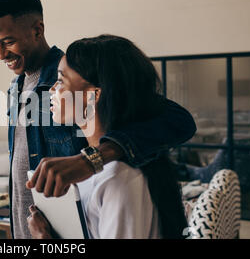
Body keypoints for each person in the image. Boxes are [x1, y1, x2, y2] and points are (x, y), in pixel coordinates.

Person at [0, 0, 196, 239]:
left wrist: (92, 159)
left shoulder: (80, 71)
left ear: (37, 30)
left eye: (8, 42)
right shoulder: (15, 87)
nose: (0, 54)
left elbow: (180, 121)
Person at [27, 35, 188, 239]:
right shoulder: (95, 164)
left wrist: (44, 240)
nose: (51, 90)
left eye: (60, 80)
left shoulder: (118, 179)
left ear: (93, 95)